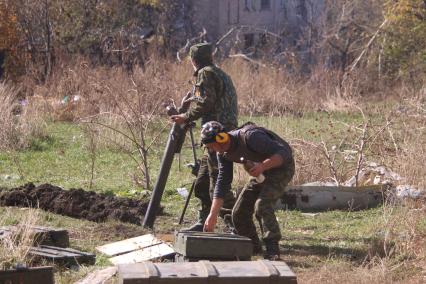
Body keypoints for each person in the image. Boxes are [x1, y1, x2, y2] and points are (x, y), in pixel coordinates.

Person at [200, 121, 295, 260]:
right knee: (238, 212)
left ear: (221, 138)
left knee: (262, 206)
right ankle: (252, 248)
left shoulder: (250, 137)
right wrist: (212, 215)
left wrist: (263, 166)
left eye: (211, 146)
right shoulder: (223, 153)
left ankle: (272, 251)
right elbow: (222, 182)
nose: (212, 150)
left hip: (281, 168)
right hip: (261, 172)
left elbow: (285, 153)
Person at [170, 43, 238, 231]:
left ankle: (236, 224)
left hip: (217, 136)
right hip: (221, 133)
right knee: (202, 181)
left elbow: (206, 102)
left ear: (193, 60)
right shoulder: (221, 73)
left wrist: (186, 116)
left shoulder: (205, 73)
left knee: (218, 181)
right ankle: (203, 222)